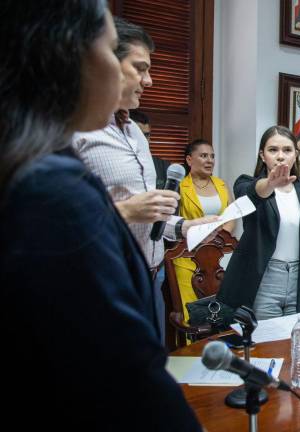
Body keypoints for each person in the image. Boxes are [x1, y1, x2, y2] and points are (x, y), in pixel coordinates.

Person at [0, 1, 201, 429]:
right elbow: (125, 373)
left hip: (149, 269)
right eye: (112, 51)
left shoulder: (37, 159)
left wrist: (181, 224)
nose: (148, 80)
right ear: (69, 57)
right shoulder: (52, 185)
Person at [73, 17, 216, 341]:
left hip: (152, 276)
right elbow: (54, 221)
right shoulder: (74, 130)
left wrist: (184, 227)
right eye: (139, 68)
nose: (149, 81)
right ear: (104, 62)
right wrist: (124, 212)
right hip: (104, 279)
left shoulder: (136, 133)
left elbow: (148, 211)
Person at [218, 126, 300, 319]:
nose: (280, 156)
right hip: (264, 280)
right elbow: (252, 193)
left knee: (296, 341)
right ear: (262, 155)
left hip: (299, 280)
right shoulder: (245, 184)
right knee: (267, 345)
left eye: (287, 150)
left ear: (295, 155)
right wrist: (270, 184)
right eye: (273, 150)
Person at [174, 138, 235, 323]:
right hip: (188, 258)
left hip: (219, 257)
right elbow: (175, 223)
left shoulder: (222, 185)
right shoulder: (180, 187)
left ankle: (221, 349)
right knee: (190, 314)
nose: (210, 160)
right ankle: (191, 350)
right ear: (189, 160)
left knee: (222, 311)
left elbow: (231, 216)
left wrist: (219, 239)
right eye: (203, 156)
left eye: (212, 156)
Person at [129, 109, 171, 190]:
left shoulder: (163, 166)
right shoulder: (116, 163)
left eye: (146, 135)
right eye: (139, 134)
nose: (144, 140)